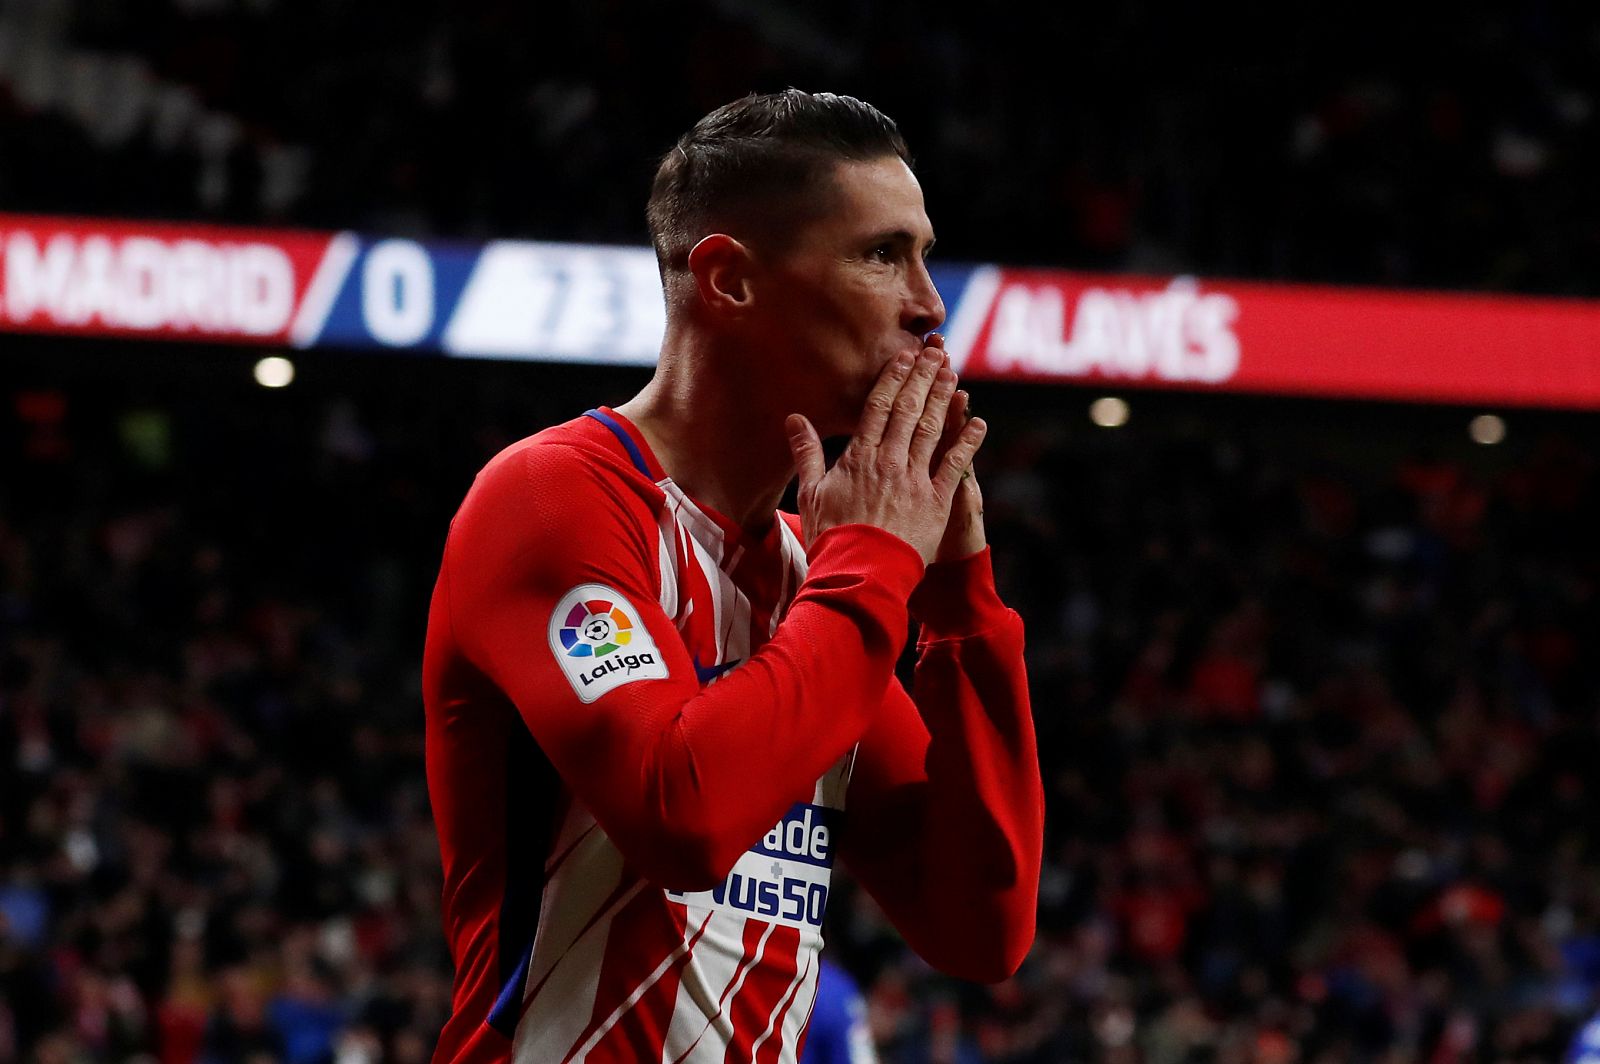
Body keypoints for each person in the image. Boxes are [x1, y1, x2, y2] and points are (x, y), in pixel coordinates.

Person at [422, 89, 1044, 1064]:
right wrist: (874, 561)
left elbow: (980, 927)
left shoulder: (821, 574)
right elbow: (684, 817)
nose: (929, 303)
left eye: (923, 255)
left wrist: (962, 609)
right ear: (729, 279)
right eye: (882, 254)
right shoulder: (551, 497)